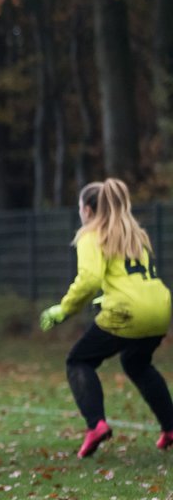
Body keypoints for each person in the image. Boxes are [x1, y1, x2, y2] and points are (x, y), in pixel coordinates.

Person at [40, 178, 173, 458]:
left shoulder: (93, 235)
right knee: (136, 362)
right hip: (159, 308)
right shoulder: (136, 234)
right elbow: (129, 277)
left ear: (88, 209)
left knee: (79, 361)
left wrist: (63, 309)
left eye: (79, 207)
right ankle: (170, 427)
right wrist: (106, 298)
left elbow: (89, 279)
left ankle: (96, 425)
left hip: (127, 312)